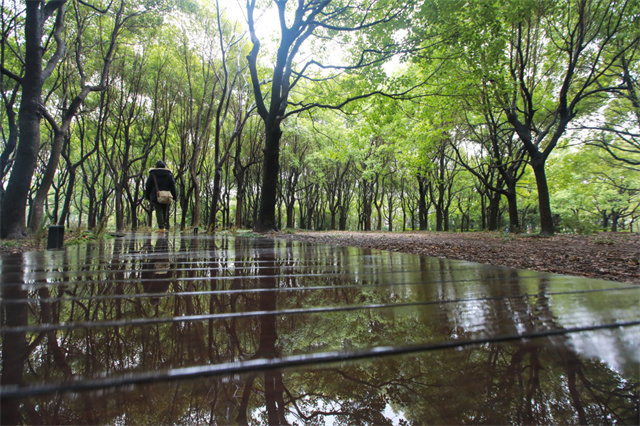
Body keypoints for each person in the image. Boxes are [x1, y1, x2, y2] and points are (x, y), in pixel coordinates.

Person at [144, 160, 177, 231]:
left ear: (156, 167)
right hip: (167, 195)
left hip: (156, 195)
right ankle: (163, 225)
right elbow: (173, 186)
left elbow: (148, 186)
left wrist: (147, 196)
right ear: (164, 167)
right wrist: (174, 196)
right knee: (165, 210)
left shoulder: (152, 174)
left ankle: (161, 227)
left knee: (158, 210)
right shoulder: (169, 175)